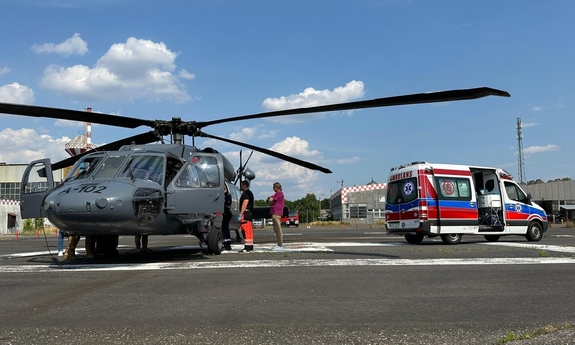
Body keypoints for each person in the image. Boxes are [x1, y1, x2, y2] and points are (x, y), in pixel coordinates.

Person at [268, 182, 285, 251]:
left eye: (273, 187)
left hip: (276, 213)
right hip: (275, 213)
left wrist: (271, 198)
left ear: (276, 187)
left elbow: (271, 200)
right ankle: (279, 244)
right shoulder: (278, 194)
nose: (273, 188)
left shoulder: (279, 193)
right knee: (276, 229)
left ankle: (280, 245)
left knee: (278, 229)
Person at [238, 180, 254, 253]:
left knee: (245, 230)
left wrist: (241, 214)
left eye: (241, 185)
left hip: (246, 213)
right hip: (249, 213)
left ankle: (247, 247)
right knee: (249, 230)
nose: (240, 187)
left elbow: (245, 203)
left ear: (244, 185)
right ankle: (250, 245)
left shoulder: (245, 194)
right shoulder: (250, 193)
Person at [222, 185, 233, 251]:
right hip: (226, 213)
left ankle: (227, 243)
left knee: (225, 228)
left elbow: (225, 202)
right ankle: (226, 242)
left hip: (226, 214)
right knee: (224, 228)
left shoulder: (226, 195)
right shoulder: (227, 195)